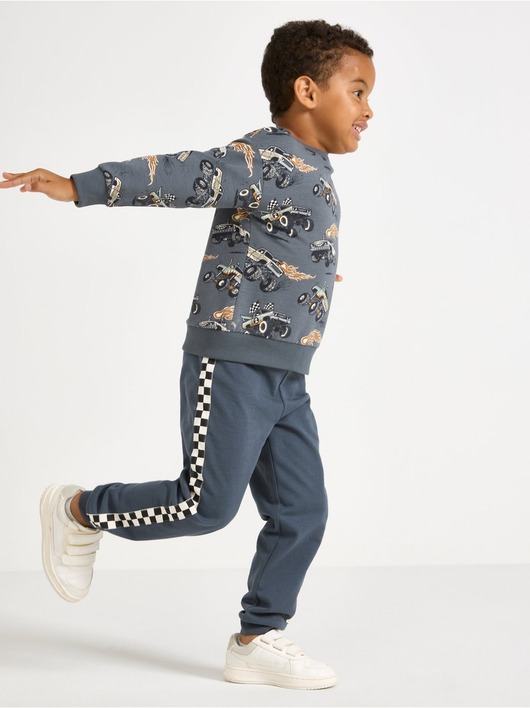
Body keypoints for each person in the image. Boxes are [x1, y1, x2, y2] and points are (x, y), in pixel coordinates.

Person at [1, 18, 375, 691]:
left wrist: (309, 277)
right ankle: (79, 509)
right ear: (307, 91)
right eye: (358, 91)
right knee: (204, 506)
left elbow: (282, 244)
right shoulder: (263, 157)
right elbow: (181, 175)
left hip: (288, 376)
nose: (368, 109)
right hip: (230, 365)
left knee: (303, 512)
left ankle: (257, 639)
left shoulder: (312, 169)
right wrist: (79, 186)